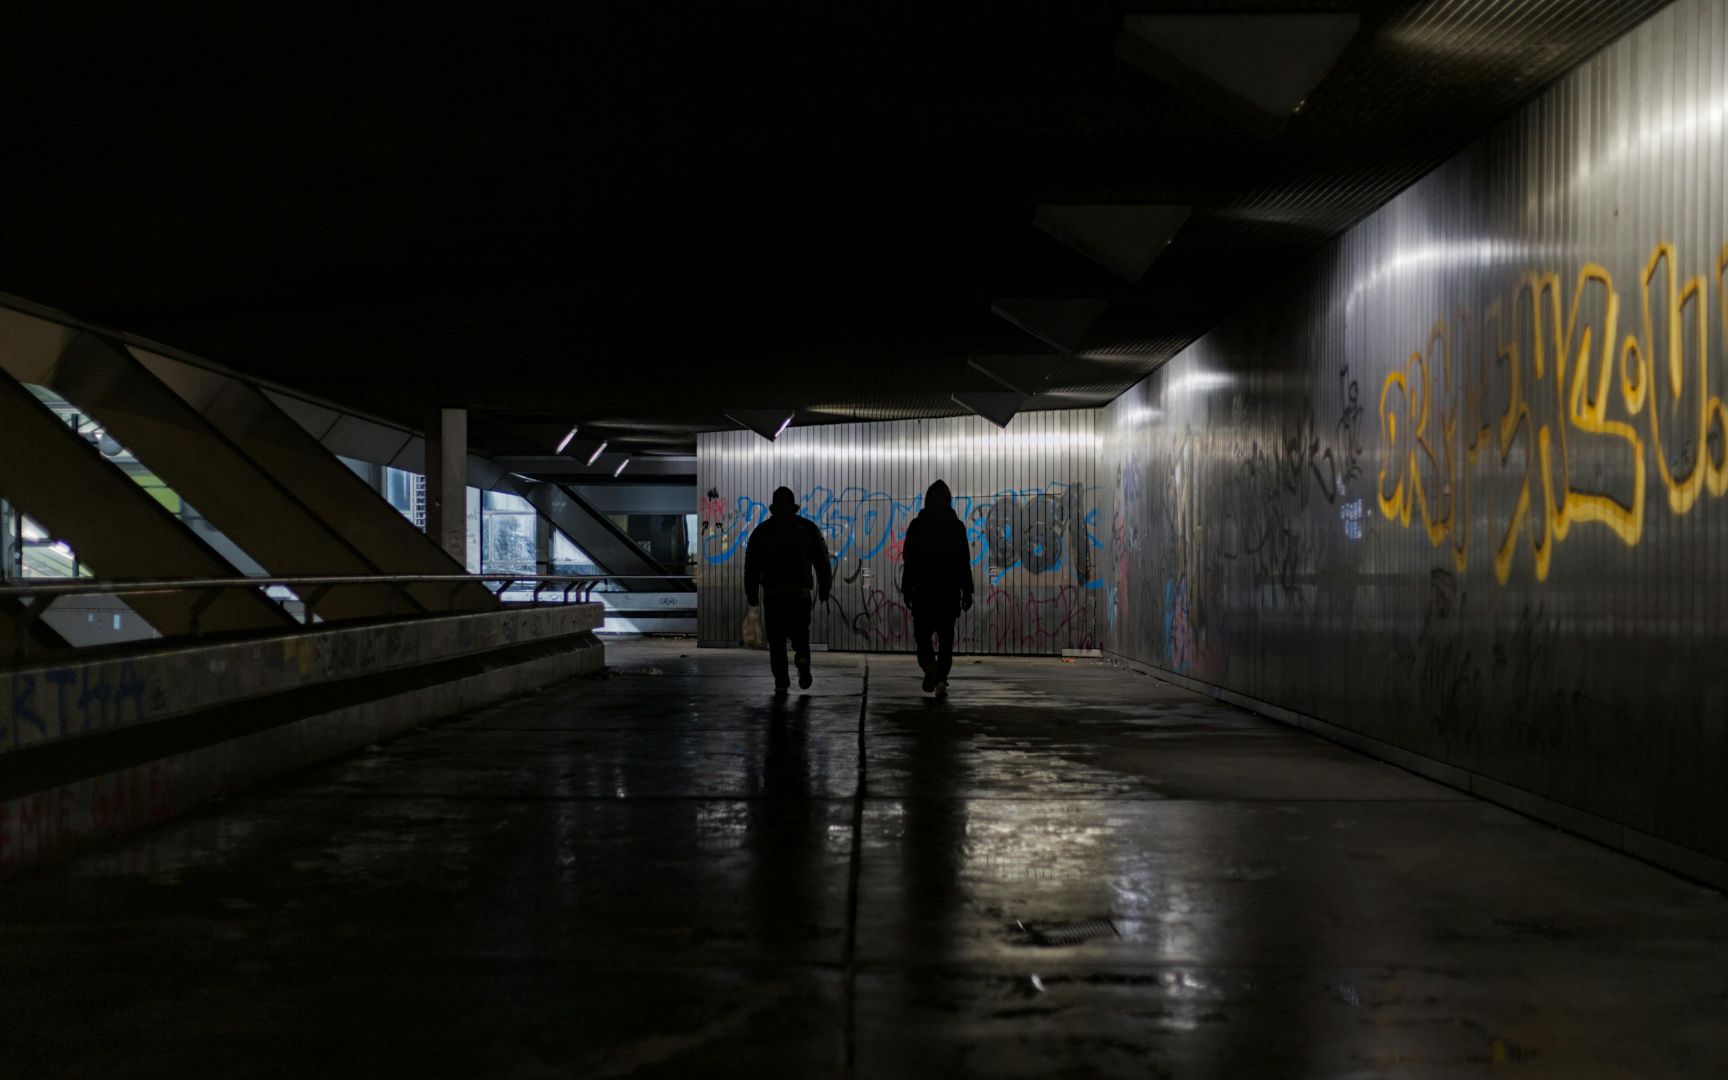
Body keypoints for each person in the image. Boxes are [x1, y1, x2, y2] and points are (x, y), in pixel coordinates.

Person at [744, 487, 833, 692]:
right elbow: (822, 561)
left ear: (773, 507)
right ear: (793, 506)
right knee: (801, 635)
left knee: (776, 642)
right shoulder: (808, 528)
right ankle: (802, 660)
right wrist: (825, 587)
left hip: (774, 596)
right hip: (799, 594)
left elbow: (752, 566)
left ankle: (782, 681)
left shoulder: (762, 531)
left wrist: (752, 594)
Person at [900, 479, 974, 696]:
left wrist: (907, 589)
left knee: (922, 637)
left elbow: (909, 560)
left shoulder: (917, 526)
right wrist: (967, 591)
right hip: (948, 593)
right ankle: (941, 680)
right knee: (945, 641)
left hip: (924, 592)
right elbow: (963, 562)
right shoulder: (956, 527)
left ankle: (929, 665)